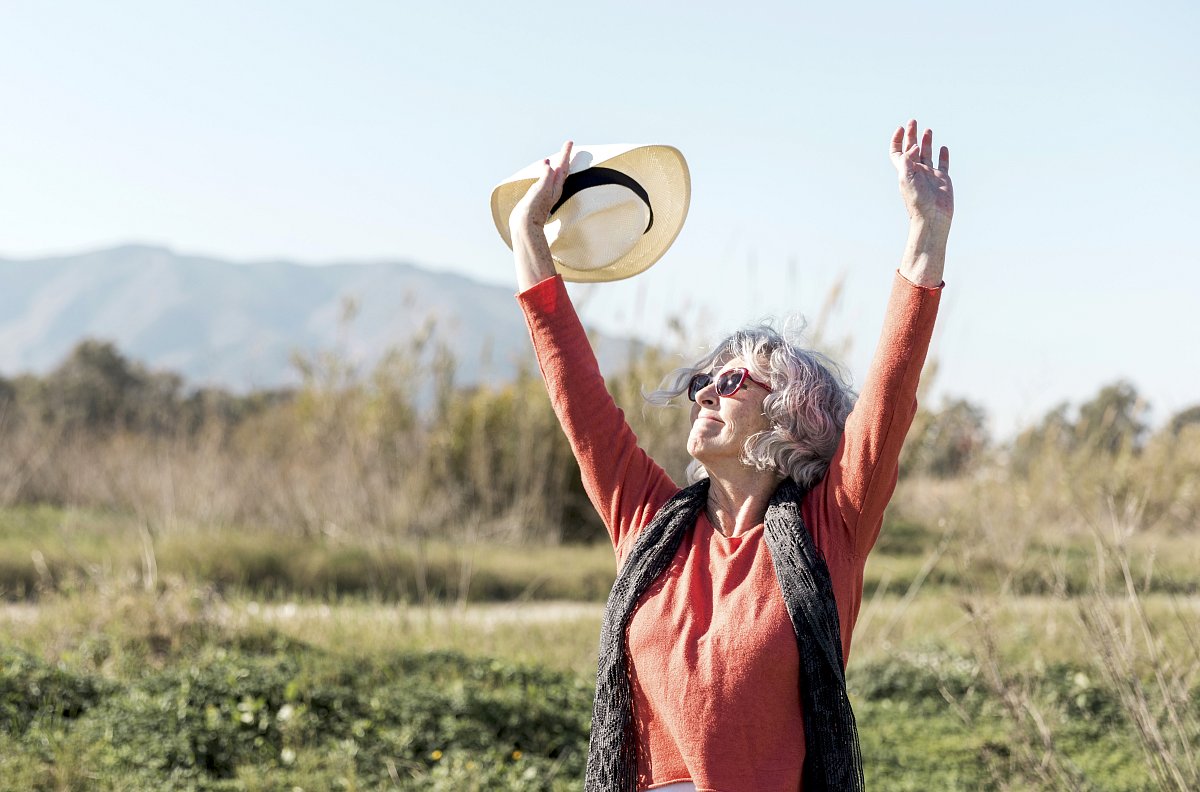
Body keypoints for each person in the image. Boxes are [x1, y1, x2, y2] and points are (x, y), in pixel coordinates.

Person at [507, 120, 952, 792]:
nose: (706, 392)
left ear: (794, 418)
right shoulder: (651, 524)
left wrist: (927, 234)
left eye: (734, 379)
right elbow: (578, 399)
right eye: (703, 381)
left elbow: (888, 399)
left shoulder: (831, 528)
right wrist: (529, 240)